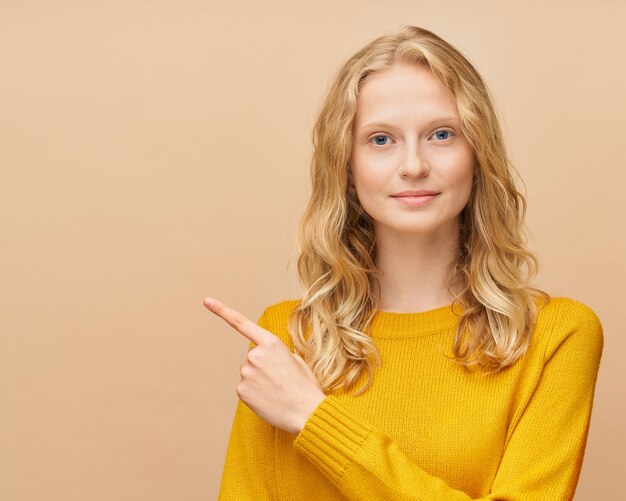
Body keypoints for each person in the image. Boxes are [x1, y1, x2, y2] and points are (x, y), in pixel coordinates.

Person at [204, 25, 604, 500]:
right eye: (380, 140)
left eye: (441, 134)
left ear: (477, 154)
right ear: (346, 168)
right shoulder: (287, 340)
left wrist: (315, 418)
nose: (413, 165)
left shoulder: (557, 336)